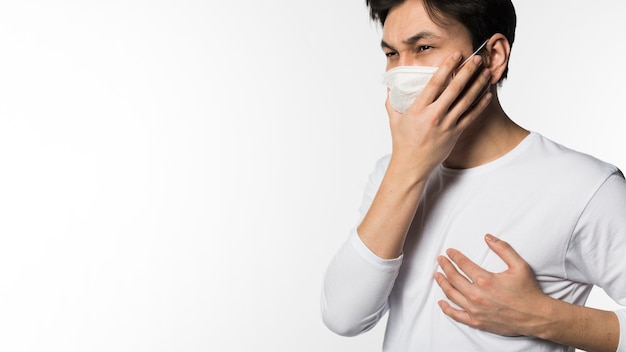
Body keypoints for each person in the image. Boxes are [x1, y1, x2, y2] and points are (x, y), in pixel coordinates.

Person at [320, 0, 626, 351]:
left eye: (423, 48)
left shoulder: (584, 188)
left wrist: (543, 316)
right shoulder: (391, 174)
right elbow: (344, 316)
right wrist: (406, 168)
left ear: (493, 56)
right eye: (392, 54)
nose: (403, 71)